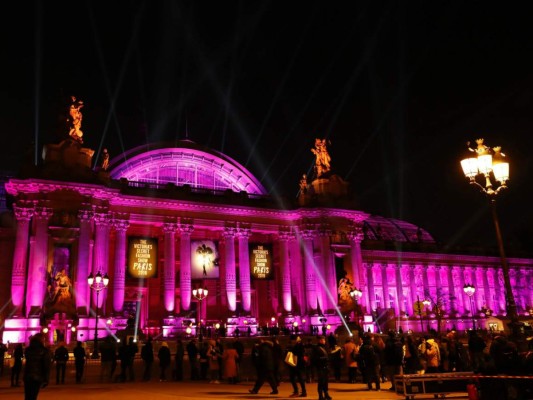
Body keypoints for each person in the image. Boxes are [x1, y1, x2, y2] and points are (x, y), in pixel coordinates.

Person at [23, 333, 51, 400]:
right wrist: (46, 379)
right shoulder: (44, 351)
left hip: (28, 376)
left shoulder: (28, 350)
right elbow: (46, 366)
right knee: (33, 396)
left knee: (28, 396)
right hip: (37, 376)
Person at [312, 336, 331, 400]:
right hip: (320, 367)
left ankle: (326, 394)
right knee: (321, 382)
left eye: (324, 340)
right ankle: (320, 395)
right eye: (323, 340)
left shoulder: (324, 347)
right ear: (320, 340)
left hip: (325, 367)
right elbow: (315, 359)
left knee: (325, 382)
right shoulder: (316, 348)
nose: (324, 341)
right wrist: (323, 358)